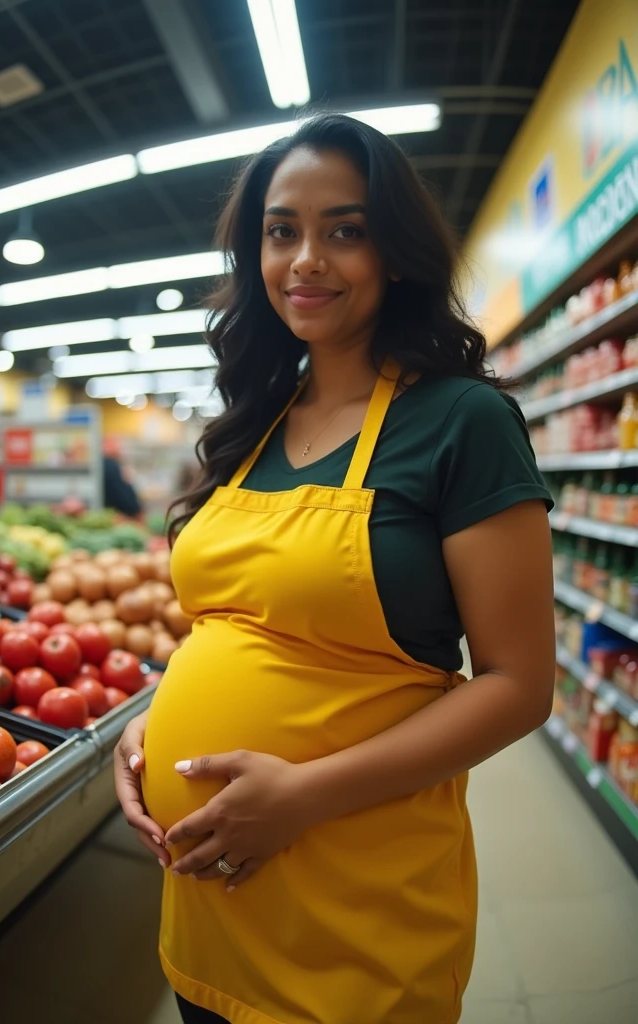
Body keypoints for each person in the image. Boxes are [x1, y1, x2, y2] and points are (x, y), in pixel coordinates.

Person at [114, 113, 555, 1024]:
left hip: (356, 896)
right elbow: (235, 621)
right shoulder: (254, 424)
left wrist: (300, 795)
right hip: (208, 900)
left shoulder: (461, 421)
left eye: (344, 230)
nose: (306, 258)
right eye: (282, 231)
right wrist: (160, 714)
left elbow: (520, 685)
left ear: (394, 252)